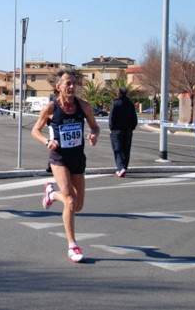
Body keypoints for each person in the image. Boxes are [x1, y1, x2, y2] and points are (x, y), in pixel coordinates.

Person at [31, 69, 99, 263]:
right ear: (59, 87)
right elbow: (35, 131)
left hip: (77, 157)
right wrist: (46, 141)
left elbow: (95, 126)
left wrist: (94, 134)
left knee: (77, 205)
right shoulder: (51, 108)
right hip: (58, 157)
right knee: (69, 200)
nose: (71, 86)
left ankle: (51, 194)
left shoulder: (84, 106)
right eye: (67, 83)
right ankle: (72, 246)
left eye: (73, 83)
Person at [108, 87, 138, 177]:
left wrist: (111, 128)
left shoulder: (115, 103)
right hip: (128, 130)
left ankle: (121, 168)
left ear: (118, 93)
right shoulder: (130, 104)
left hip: (116, 130)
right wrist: (132, 128)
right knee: (126, 149)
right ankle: (124, 167)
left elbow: (111, 117)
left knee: (117, 149)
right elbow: (134, 118)